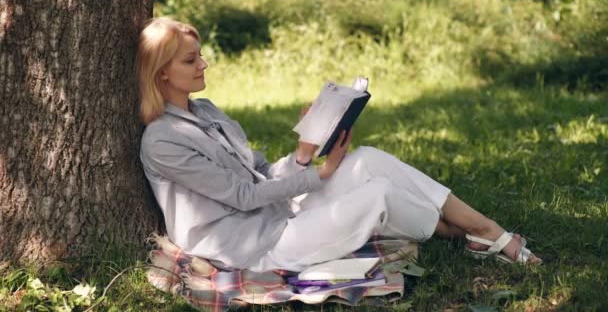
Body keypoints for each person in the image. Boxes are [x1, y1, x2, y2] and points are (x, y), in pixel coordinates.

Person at [137, 17, 541, 272]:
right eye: (191, 61)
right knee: (379, 194)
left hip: (279, 214)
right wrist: (321, 174)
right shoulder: (162, 141)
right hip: (255, 245)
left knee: (368, 161)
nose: (204, 64)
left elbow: (260, 173)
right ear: (162, 75)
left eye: (201, 55)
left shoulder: (207, 111)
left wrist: (305, 152)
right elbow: (244, 196)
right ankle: (467, 235)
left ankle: (482, 230)